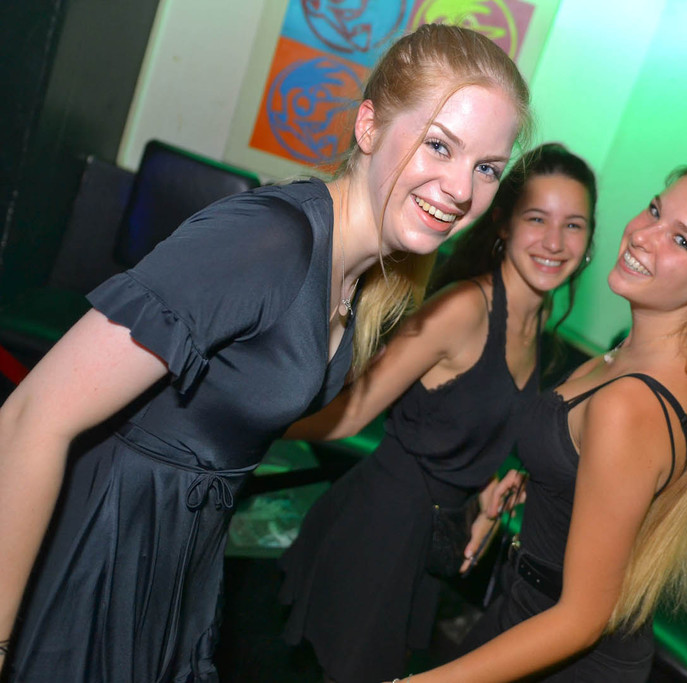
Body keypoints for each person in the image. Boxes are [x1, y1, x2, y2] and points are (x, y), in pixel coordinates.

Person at [0, 24, 530, 682]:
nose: (460, 188)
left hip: (176, 558)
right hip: (96, 544)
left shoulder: (365, 278)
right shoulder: (271, 240)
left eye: (487, 168)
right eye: (439, 145)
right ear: (369, 125)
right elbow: (32, 416)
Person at [406, 164, 687, 681]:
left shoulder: (631, 404)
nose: (643, 235)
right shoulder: (642, 358)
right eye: (655, 211)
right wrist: (532, 483)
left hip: (562, 653)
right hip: (525, 615)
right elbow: (605, 477)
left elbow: (581, 621)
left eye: (680, 240)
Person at [277, 142, 597, 682]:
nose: (553, 241)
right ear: (503, 224)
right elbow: (352, 413)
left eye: (573, 225)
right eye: (537, 218)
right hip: (377, 530)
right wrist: (235, 431)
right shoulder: (462, 310)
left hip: (431, 539)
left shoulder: (538, 324)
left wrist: (486, 495)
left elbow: (467, 420)